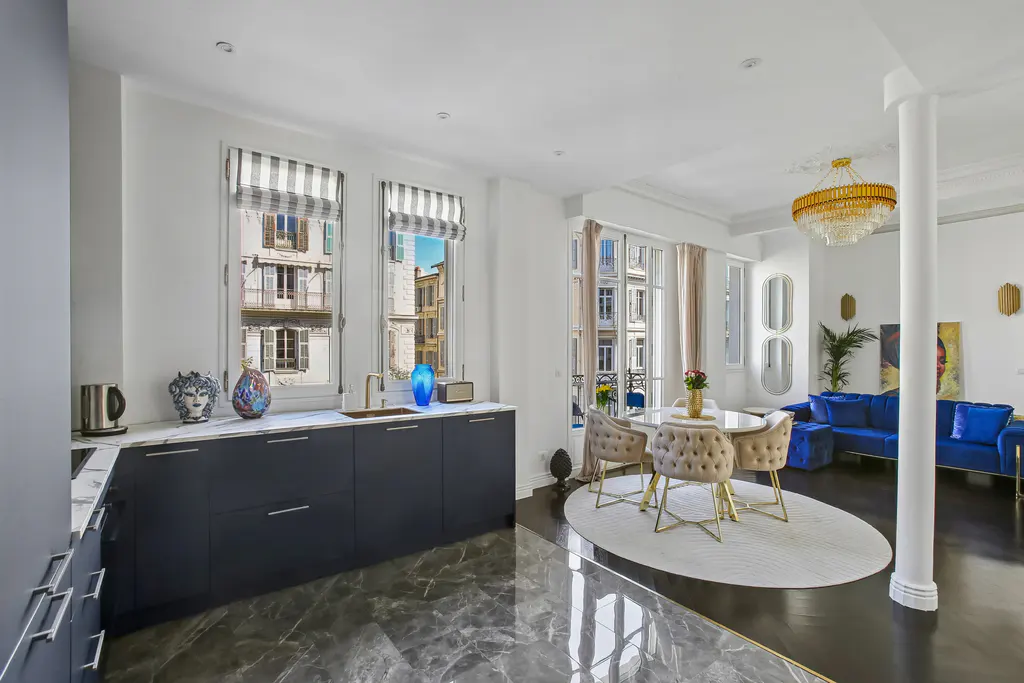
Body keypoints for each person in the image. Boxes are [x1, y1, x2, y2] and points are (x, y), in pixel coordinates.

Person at [880, 329, 946, 396]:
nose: (938, 366)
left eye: (942, 361)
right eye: (931, 361)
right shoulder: (892, 398)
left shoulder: (945, 395)